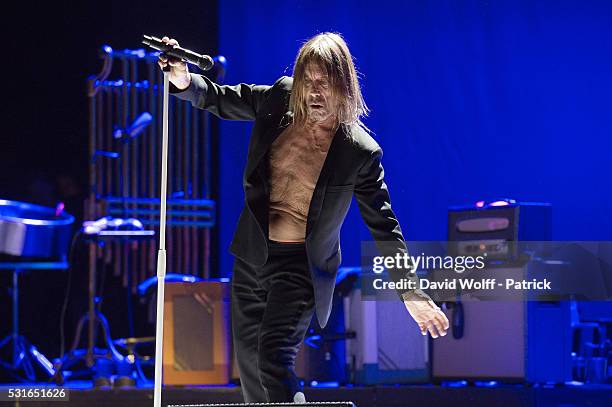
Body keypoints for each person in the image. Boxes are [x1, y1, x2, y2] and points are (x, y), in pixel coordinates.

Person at [159, 32, 449, 403]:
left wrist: (411, 291)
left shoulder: (358, 152)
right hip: (253, 254)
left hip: (299, 268)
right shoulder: (278, 99)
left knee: (273, 359)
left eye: (324, 84)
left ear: (343, 85)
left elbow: (385, 226)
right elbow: (220, 98)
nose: (313, 92)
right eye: (308, 81)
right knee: (249, 363)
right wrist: (183, 80)